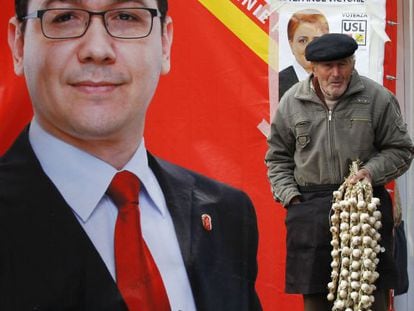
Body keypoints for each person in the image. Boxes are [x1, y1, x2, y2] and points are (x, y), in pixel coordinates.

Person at [0, 0, 262, 310]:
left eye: (126, 16)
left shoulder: (227, 213)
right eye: (65, 17)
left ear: (165, 44)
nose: (97, 49)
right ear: (19, 44)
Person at [265, 33, 413, 311]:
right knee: (317, 302)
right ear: (313, 68)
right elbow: (277, 158)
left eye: (343, 64)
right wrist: (292, 198)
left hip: (365, 214)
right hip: (310, 211)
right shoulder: (292, 102)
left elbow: (401, 150)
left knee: (370, 297)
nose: (336, 73)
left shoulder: (376, 98)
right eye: (327, 66)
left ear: (353, 63)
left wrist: (370, 172)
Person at [279, 9, 329, 100]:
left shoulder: (337, 79)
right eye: (303, 41)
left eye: (316, 40)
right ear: (291, 45)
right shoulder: (276, 84)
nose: (310, 48)